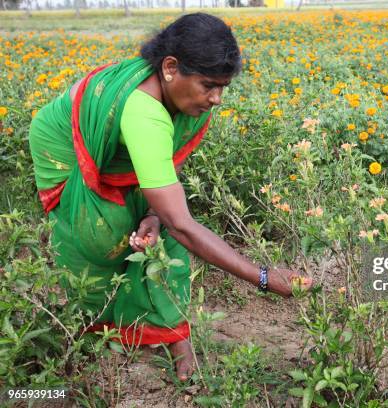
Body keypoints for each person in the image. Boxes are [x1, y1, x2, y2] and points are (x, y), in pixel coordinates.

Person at [28, 13, 312, 382]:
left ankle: (173, 333)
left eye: (223, 87)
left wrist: (154, 214)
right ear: (170, 67)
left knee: (158, 232)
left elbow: (167, 166)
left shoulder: (179, 101)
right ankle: (93, 324)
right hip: (64, 149)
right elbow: (183, 225)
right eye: (208, 85)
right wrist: (263, 276)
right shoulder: (144, 113)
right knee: (104, 235)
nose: (216, 99)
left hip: (126, 145)